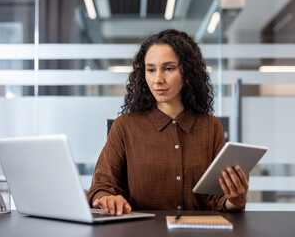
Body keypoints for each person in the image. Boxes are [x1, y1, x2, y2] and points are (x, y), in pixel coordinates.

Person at [86, 29, 249, 216]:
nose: (158, 80)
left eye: (168, 68)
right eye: (151, 70)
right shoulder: (125, 126)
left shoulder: (210, 126)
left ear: (186, 71)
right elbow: (100, 187)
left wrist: (234, 201)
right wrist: (107, 198)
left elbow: (216, 200)